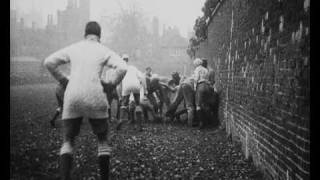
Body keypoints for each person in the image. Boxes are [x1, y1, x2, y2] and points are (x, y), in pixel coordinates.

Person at [44, 21, 127, 180]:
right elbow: (122, 68)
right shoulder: (103, 50)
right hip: (95, 94)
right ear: (99, 36)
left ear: (85, 34)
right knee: (102, 140)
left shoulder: (74, 47)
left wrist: (63, 80)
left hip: (72, 94)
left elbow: (49, 62)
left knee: (68, 140)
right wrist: (111, 85)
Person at [116, 55, 146, 131]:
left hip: (126, 85)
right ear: (128, 60)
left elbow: (118, 85)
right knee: (138, 104)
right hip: (136, 84)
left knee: (124, 103)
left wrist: (120, 96)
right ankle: (139, 126)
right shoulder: (133, 67)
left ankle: (121, 119)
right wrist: (144, 90)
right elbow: (142, 78)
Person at [193, 58, 211, 129]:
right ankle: (210, 121)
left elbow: (196, 79)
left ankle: (201, 123)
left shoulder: (197, 69)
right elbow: (208, 79)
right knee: (206, 104)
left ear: (196, 64)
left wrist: (195, 88)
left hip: (200, 86)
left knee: (198, 105)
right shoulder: (206, 69)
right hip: (207, 86)